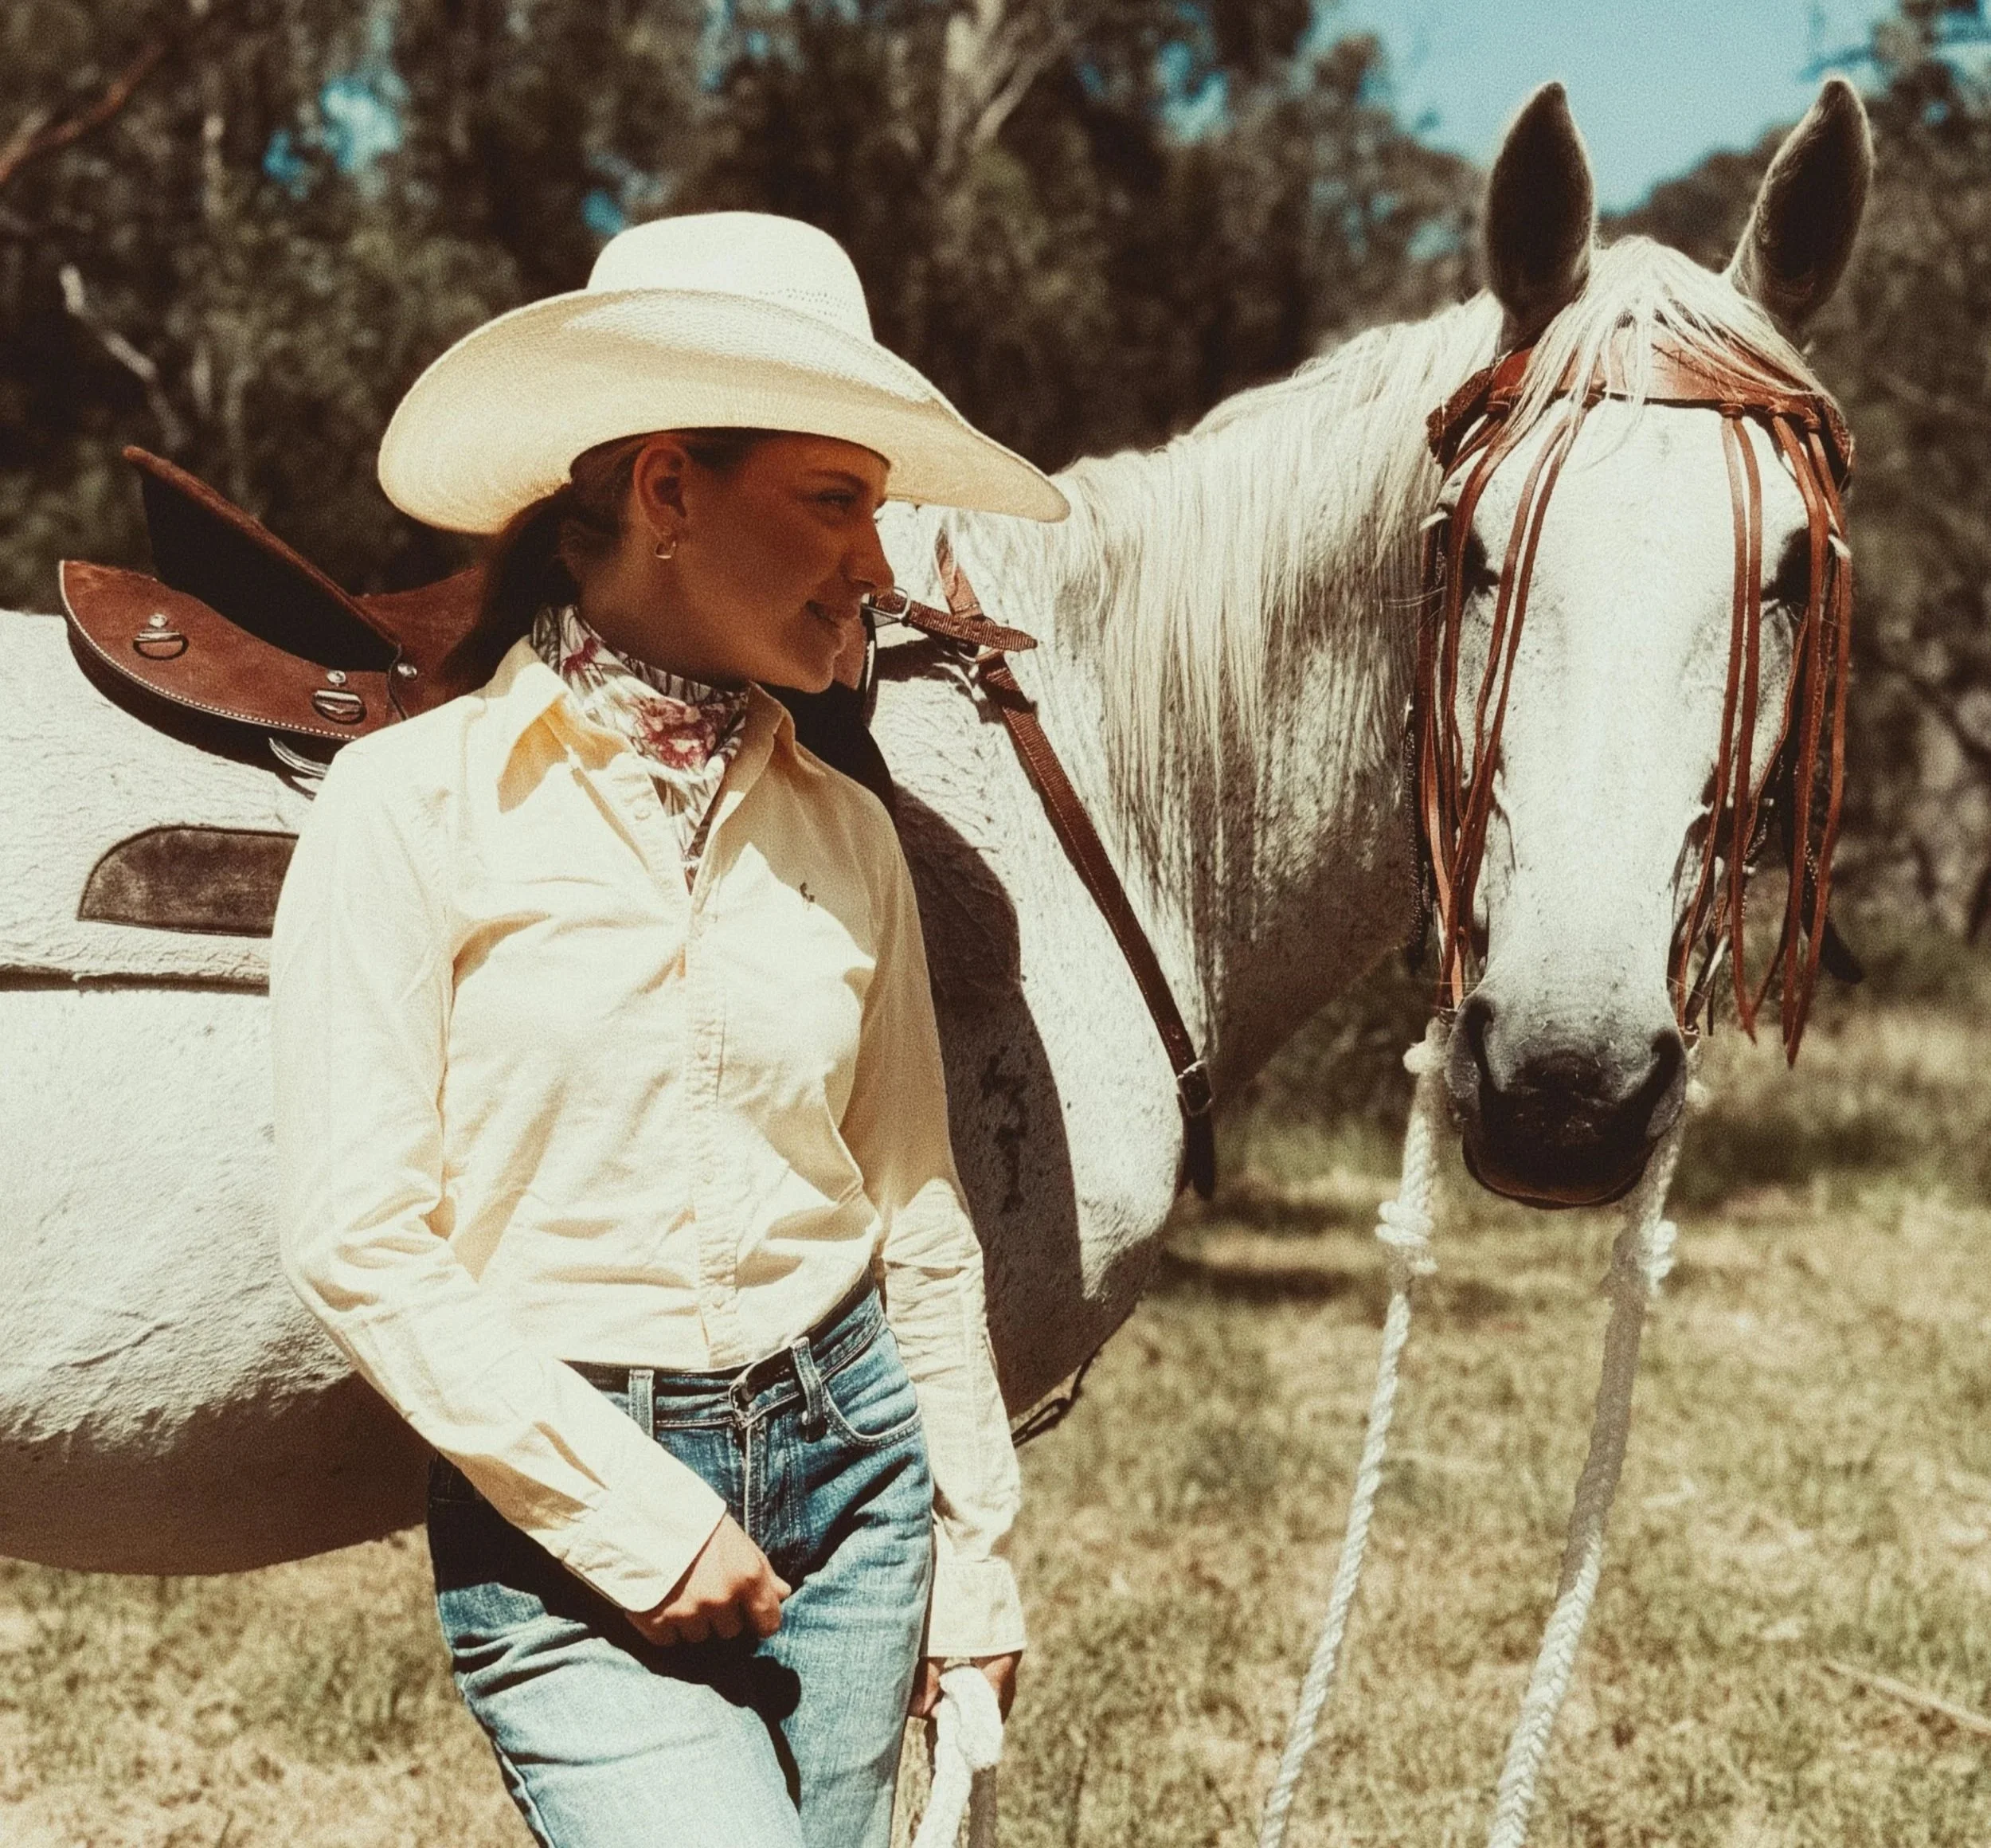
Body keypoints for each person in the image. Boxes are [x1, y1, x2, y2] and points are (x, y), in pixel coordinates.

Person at [269, 209, 1069, 1848]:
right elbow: (357, 1234)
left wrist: (971, 1552)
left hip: (854, 1478)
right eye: (835, 500)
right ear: (666, 491)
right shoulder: (410, 807)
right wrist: (639, 1518)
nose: (875, 564)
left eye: (878, 508)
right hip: (566, 1515)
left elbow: (913, 1216)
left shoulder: (845, 832)